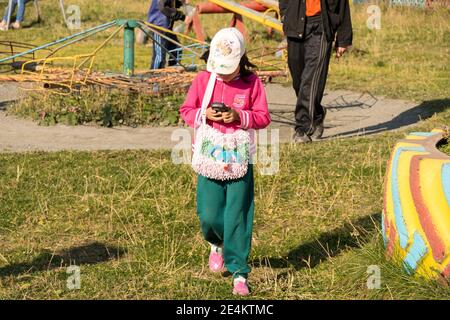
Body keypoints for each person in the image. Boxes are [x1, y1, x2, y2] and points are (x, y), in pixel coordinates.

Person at [180, 28, 271, 296]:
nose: (222, 73)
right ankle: (215, 243)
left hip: (239, 160)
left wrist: (239, 117)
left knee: (238, 216)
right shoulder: (203, 81)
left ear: (241, 60)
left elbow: (263, 117)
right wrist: (203, 113)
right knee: (209, 214)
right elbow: (186, 111)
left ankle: (239, 271)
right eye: (218, 67)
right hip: (209, 158)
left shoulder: (252, 83)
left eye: (228, 68)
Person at [279, 0, 353, 142]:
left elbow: (342, 4)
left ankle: (303, 128)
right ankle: (317, 114)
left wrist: (343, 38)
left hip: (321, 26)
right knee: (298, 82)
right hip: (295, 23)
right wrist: (285, 15)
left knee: (310, 79)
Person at [147, 0, 186, 69]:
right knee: (159, 56)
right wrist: (178, 15)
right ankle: (154, 74)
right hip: (159, 26)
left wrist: (178, 4)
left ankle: (173, 70)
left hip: (167, 27)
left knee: (176, 49)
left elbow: (169, 3)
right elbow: (162, 7)